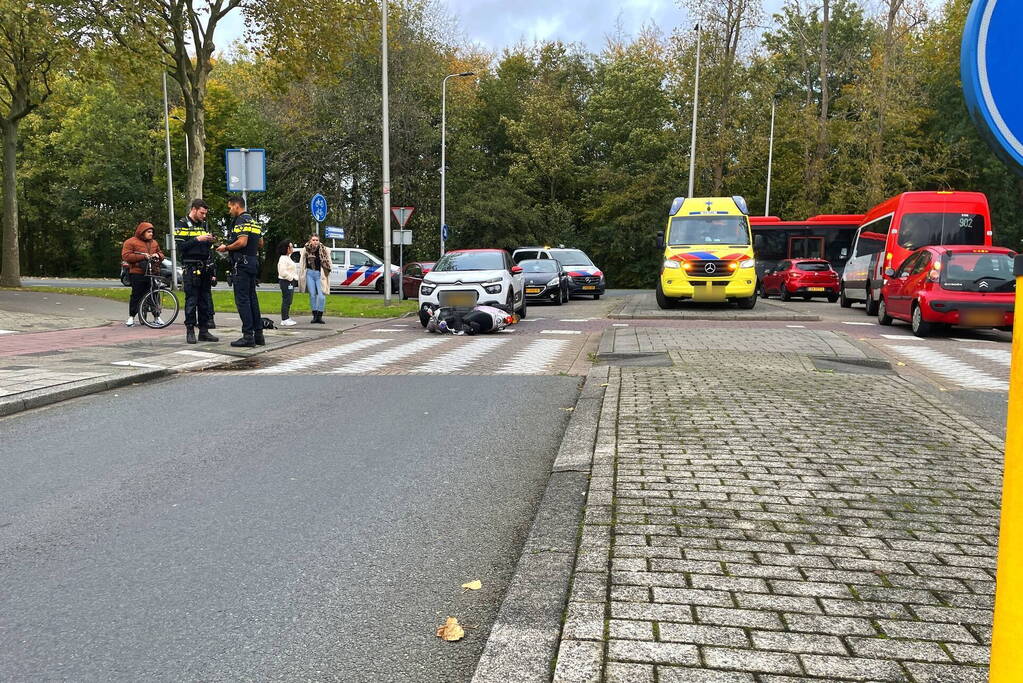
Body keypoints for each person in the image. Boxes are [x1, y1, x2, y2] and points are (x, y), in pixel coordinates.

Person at [217, 196, 264, 347]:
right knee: (252, 299)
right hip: (252, 262)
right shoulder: (254, 221)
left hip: (241, 264)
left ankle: (248, 336)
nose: (229, 211)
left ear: (237, 206)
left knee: (242, 300)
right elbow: (261, 243)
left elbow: (242, 242)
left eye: (230, 207)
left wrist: (226, 247)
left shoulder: (241, 220)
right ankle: (259, 335)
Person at [175, 198, 219, 344]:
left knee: (205, 301)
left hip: (205, 266)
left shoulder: (204, 224)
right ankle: (190, 331)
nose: (204, 216)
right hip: (190, 267)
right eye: (202, 213)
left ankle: (204, 331)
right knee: (191, 300)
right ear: (193, 209)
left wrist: (211, 241)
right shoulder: (182, 224)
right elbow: (181, 247)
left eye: (205, 213)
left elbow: (209, 249)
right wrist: (197, 239)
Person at [120, 222, 164, 326]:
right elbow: (126, 256)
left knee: (154, 295)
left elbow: (161, 254)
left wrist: (158, 255)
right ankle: (131, 317)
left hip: (152, 272)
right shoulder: (130, 242)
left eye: (152, 232)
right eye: (149, 232)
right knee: (136, 295)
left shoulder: (154, 243)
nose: (151, 234)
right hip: (137, 272)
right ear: (142, 232)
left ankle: (157, 317)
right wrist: (143, 257)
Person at [298, 234, 331, 324]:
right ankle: (315, 316)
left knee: (321, 296)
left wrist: (328, 270)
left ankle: (320, 316)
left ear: (319, 241)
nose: (315, 241)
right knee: (312, 295)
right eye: (313, 240)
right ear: (310, 241)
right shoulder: (305, 249)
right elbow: (302, 262)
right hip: (309, 273)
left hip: (320, 274)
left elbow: (329, 263)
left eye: (317, 240)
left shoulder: (324, 249)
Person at [277, 239, 299, 326]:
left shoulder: (287, 257)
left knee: (289, 300)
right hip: (286, 281)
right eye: (291, 247)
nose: (292, 248)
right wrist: (291, 278)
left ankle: (286, 317)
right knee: (287, 300)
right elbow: (282, 272)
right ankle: (284, 319)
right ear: (286, 248)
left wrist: (294, 278)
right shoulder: (283, 258)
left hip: (289, 281)